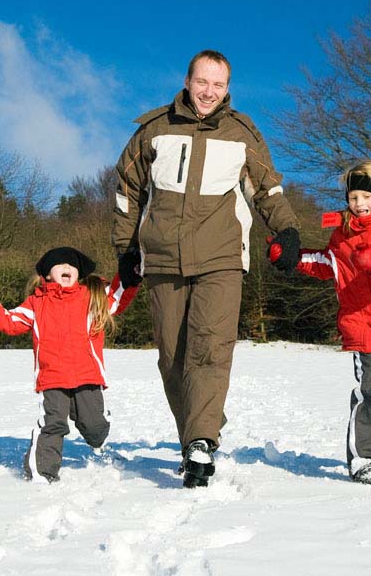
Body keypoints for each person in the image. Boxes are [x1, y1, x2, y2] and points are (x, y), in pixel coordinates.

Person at [112, 49, 301, 488]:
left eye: (218, 85)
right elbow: (127, 191)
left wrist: (287, 230)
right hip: (162, 258)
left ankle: (201, 440)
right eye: (202, 82)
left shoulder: (241, 133)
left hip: (221, 257)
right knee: (172, 358)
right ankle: (199, 429)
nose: (209, 92)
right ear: (187, 81)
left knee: (210, 348)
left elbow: (266, 189)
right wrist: (126, 249)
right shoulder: (154, 130)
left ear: (227, 88)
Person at [285, 159, 371, 485]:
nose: (359, 204)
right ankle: (368, 458)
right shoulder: (342, 235)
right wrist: (292, 257)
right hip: (363, 327)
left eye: (366, 196)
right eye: (353, 198)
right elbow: (327, 263)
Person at [0, 247, 138, 483]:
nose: (67, 267)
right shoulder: (36, 302)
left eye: (72, 265)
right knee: (53, 424)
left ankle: (97, 429)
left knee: (94, 428)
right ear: (48, 274)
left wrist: (130, 276)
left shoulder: (92, 297)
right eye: (60, 264)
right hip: (52, 377)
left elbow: (117, 297)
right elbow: (11, 321)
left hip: (87, 375)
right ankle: (43, 472)